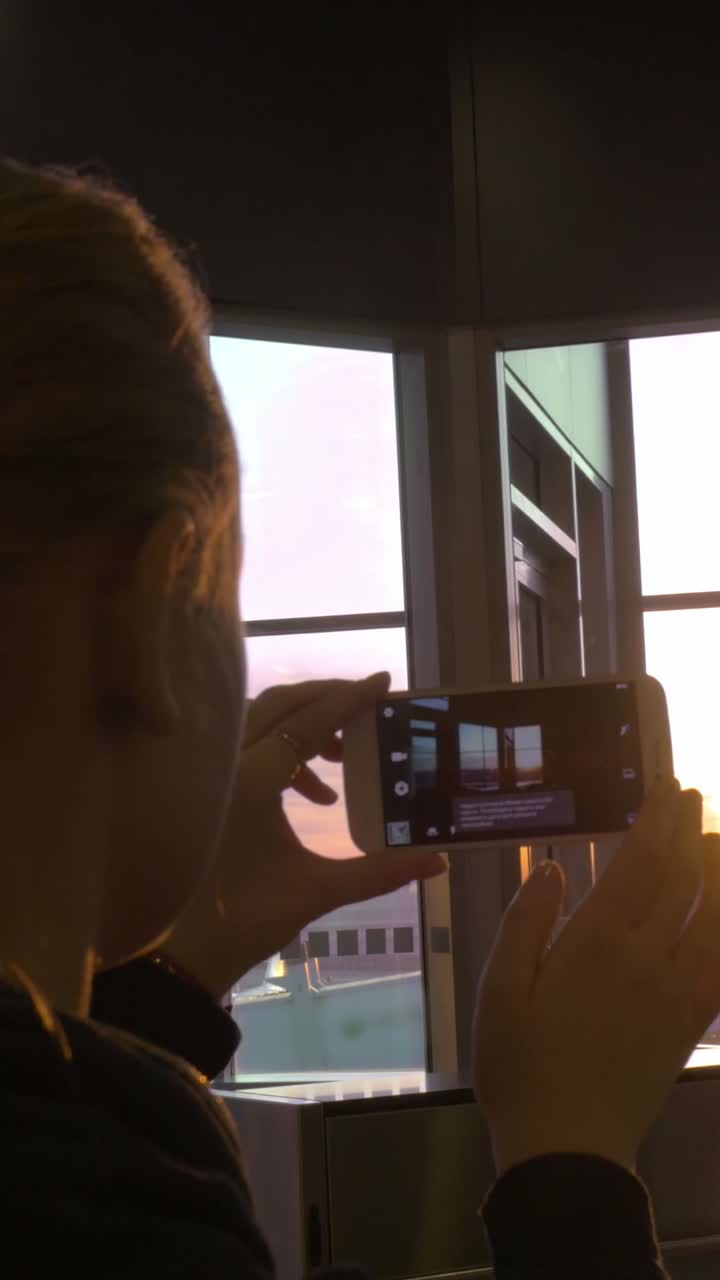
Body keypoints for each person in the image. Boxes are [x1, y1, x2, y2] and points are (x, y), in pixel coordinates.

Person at [0, 155, 718, 1277]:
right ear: (144, 613)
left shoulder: (78, 1158)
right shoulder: (115, 1213)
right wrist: (567, 1160)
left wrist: (178, 974)